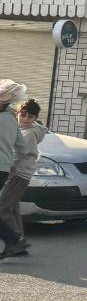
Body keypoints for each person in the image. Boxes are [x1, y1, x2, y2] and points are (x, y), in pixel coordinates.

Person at [0, 99, 46, 255]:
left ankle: (16, 240)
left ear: (35, 118)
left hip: (18, 174)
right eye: (23, 114)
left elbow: (18, 154)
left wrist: (5, 167)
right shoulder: (20, 128)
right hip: (18, 174)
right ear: (18, 113)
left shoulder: (28, 133)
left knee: (2, 208)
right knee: (12, 208)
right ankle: (19, 242)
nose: (25, 119)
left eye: (30, 116)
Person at [0, 80, 26, 258]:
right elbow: (22, 148)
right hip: (3, 169)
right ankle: (14, 241)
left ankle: (14, 239)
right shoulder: (10, 119)